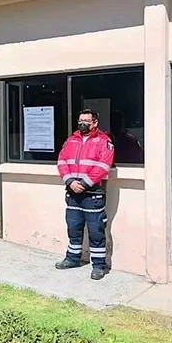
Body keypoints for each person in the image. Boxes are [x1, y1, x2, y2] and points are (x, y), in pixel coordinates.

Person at [55, 109, 115, 280]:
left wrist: (84, 184)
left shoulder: (104, 142)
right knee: (73, 228)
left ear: (95, 122)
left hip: (93, 194)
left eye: (87, 121)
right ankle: (72, 258)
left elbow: (104, 166)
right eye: (80, 120)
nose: (82, 123)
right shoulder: (71, 140)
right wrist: (70, 182)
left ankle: (98, 266)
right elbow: (61, 161)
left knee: (96, 231)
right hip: (73, 193)